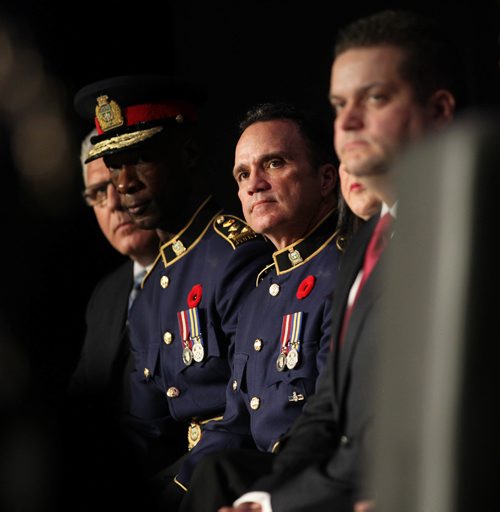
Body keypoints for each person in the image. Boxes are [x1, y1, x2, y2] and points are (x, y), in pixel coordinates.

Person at [179, 9, 461, 512]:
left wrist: (281, 499)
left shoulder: (457, 231)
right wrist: (266, 497)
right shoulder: (369, 250)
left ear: (439, 112)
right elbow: (325, 410)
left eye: (374, 98)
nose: (347, 122)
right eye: (338, 104)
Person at [73, 74, 273, 502]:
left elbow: (249, 413)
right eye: (113, 165)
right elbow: (145, 426)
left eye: (139, 158)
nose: (123, 184)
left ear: (190, 153)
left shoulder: (235, 256)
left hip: (231, 479)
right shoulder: (153, 286)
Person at [173, 102, 370, 495]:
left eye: (274, 164)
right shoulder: (263, 290)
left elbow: (335, 419)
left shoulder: (347, 269)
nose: (253, 184)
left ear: (327, 178)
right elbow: (234, 426)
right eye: (242, 174)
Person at [68, 129, 159, 411]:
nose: (116, 204)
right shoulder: (106, 295)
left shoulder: (206, 270)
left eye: (120, 182)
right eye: (98, 194)